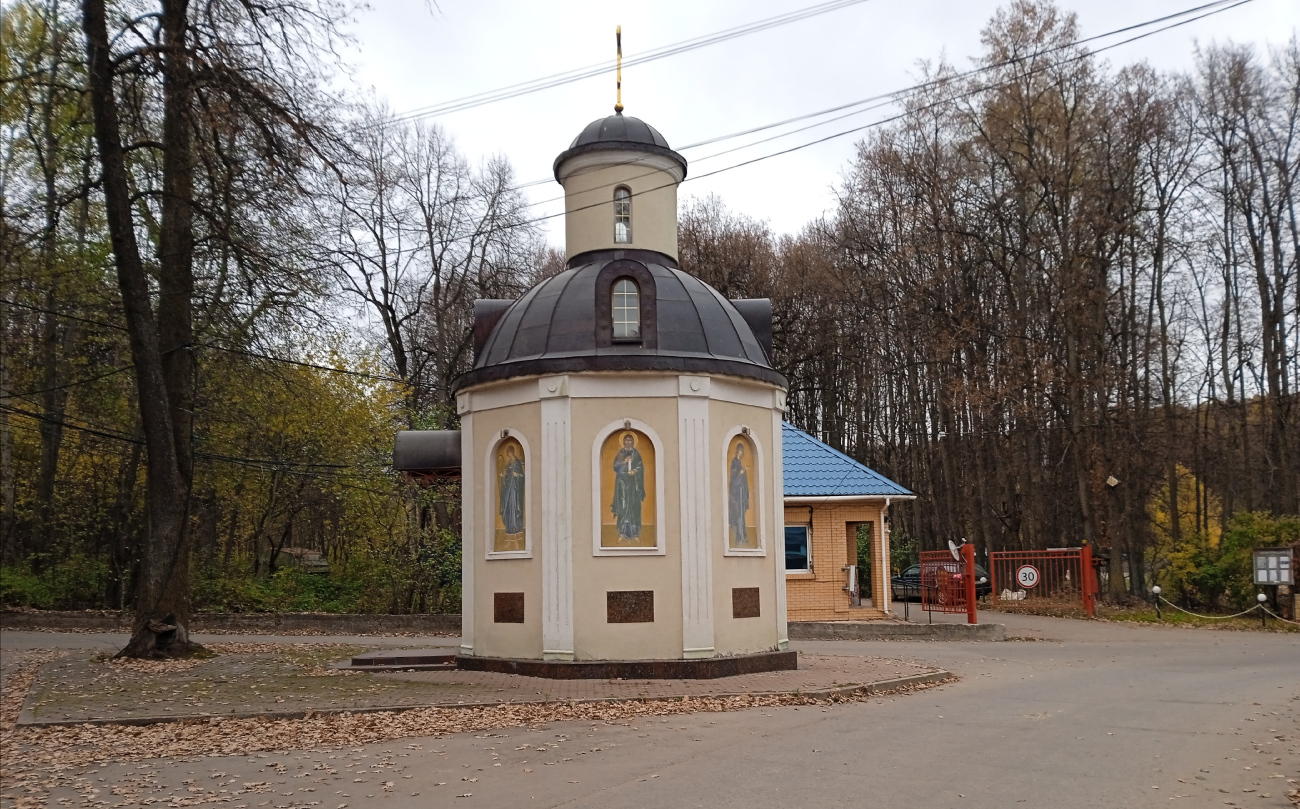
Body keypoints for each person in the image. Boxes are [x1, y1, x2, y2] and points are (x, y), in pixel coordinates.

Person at [610, 433, 645, 543]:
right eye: (627, 440)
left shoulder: (636, 453)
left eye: (630, 440)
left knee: (634, 508)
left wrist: (635, 471)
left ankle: (635, 533)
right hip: (622, 484)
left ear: (633, 442)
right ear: (624, 442)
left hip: (633, 484)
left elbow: (640, 466)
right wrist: (624, 462)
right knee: (623, 507)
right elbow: (615, 466)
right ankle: (622, 533)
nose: (628, 442)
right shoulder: (621, 454)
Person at [498, 444, 525, 539]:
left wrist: (517, 475)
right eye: (507, 454)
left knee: (514, 506)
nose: (508, 455)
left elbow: (522, 477)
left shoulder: (517, 463)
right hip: (509, 490)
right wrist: (504, 476)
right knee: (509, 507)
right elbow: (508, 476)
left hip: (515, 490)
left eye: (509, 453)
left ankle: (516, 527)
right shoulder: (509, 464)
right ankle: (509, 528)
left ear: (512, 452)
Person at [728, 441, 750, 546]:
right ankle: (739, 538)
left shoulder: (739, 462)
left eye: (742, 451)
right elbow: (733, 477)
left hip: (741, 492)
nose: (741, 452)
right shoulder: (734, 462)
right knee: (739, 516)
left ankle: (742, 537)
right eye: (740, 450)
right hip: (737, 493)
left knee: (742, 516)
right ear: (737, 451)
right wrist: (741, 472)